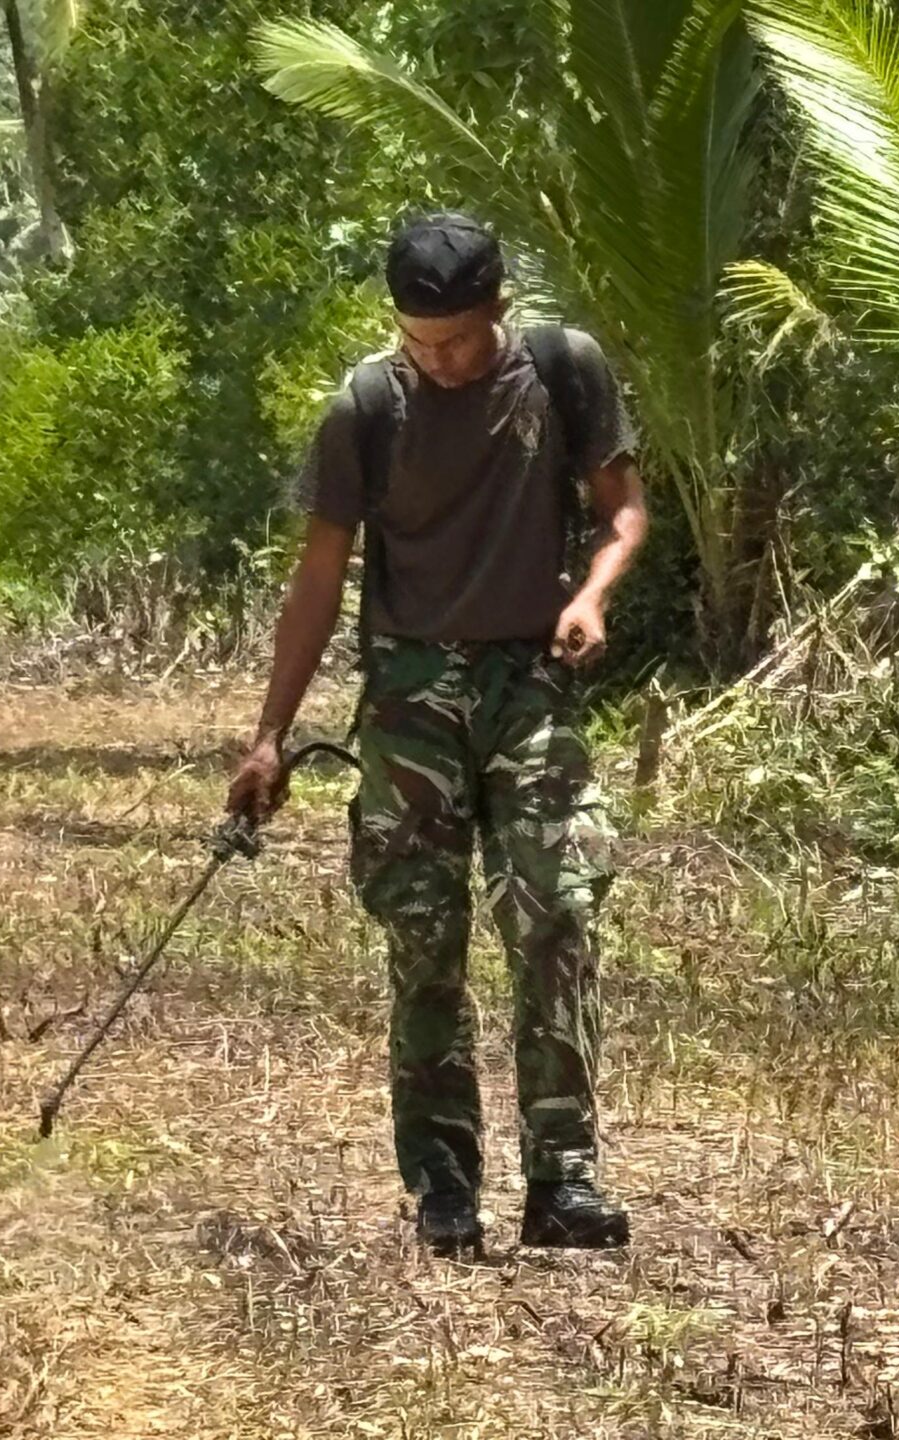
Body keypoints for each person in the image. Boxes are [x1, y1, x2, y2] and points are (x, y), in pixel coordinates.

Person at [226, 212, 649, 1256]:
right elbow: (319, 577)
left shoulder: (563, 371)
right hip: (409, 696)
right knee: (424, 940)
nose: (440, 360)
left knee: (554, 915)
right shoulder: (367, 405)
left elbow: (624, 513)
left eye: (457, 339)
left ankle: (563, 1175)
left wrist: (592, 595)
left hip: (529, 684)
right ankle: (443, 1185)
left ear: (498, 310)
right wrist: (270, 735)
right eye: (419, 341)